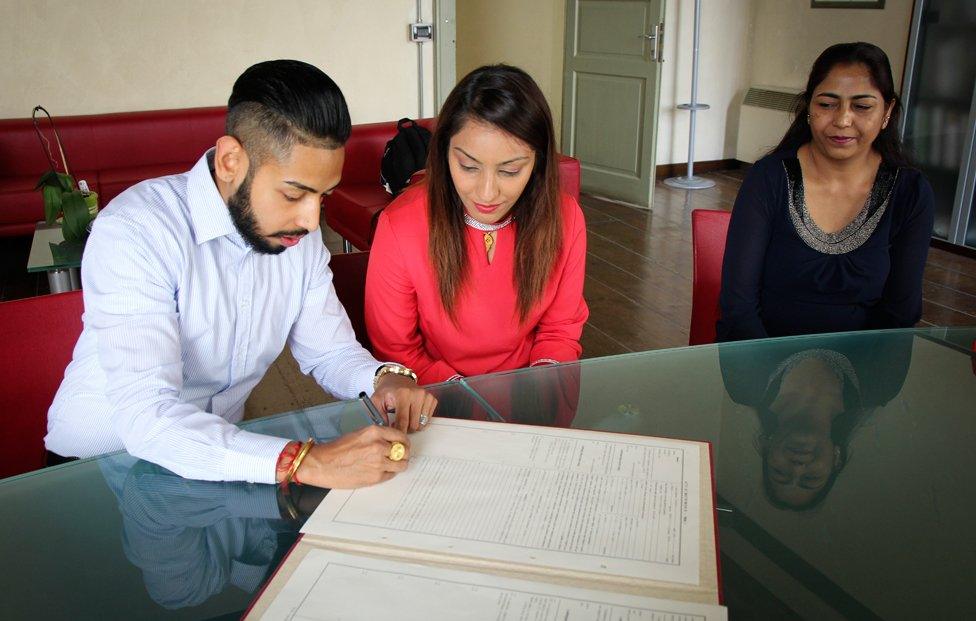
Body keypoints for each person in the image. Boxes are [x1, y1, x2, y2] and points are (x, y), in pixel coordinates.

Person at [45, 60, 437, 488]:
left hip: (222, 457)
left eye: (322, 197)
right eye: (293, 194)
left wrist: (385, 379)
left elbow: (330, 353)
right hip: (96, 470)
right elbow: (146, 415)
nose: (310, 222)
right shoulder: (137, 230)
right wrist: (307, 462)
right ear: (231, 160)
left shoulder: (296, 239)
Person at [365, 64, 588, 385]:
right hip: (435, 398)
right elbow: (397, 349)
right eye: (468, 166)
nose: (486, 193)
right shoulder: (401, 225)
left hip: (530, 392)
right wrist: (469, 403)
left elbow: (560, 331)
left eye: (510, 171)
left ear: (537, 162)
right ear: (444, 153)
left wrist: (537, 395)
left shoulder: (565, 218)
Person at [717, 42, 934, 342]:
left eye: (862, 106)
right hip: (763, 363)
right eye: (826, 104)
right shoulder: (768, 178)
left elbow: (901, 312)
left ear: (888, 112)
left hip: (864, 367)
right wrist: (778, 374)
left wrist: (842, 376)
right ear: (808, 108)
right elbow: (738, 305)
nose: (843, 120)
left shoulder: (910, 192)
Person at [719, 331, 913, 510]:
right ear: (836, 459)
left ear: (766, 447)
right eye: (811, 478)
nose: (797, 467)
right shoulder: (881, 385)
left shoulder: (743, 384)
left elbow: (738, 306)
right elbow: (901, 308)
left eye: (780, 473)